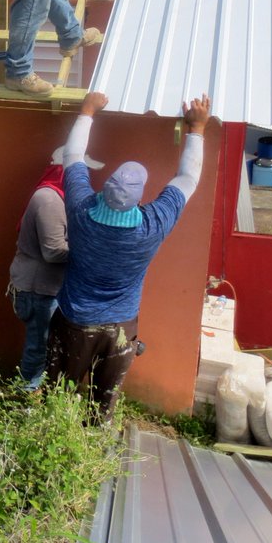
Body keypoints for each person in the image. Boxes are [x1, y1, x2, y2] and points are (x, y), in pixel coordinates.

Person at [44, 91, 211, 422]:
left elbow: (74, 155)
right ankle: (95, 457)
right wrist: (198, 129)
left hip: (73, 323)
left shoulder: (80, 208)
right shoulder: (152, 225)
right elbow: (187, 178)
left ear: (105, 187)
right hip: (120, 330)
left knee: (58, 399)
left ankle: (54, 454)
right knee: (101, 408)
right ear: (138, 198)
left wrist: (88, 110)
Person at [7, 146, 103, 389]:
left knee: (47, 345)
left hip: (46, 287)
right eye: (81, 172)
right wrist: (92, 252)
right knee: (40, 348)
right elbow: (53, 252)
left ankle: (33, 394)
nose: (86, 178)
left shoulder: (60, 197)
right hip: (38, 289)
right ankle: (25, 398)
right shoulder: (49, 200)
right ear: (64, 172)